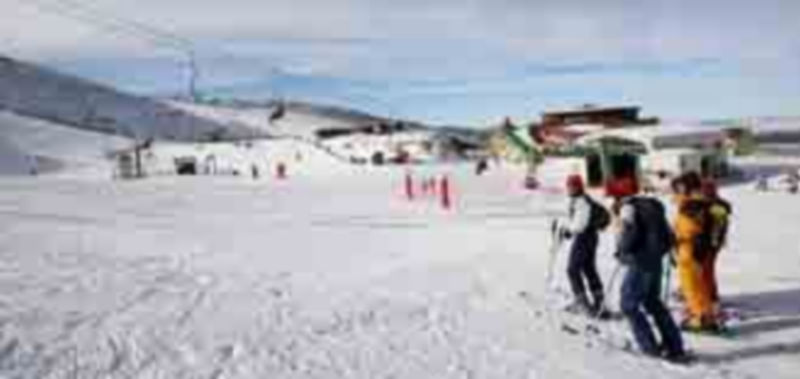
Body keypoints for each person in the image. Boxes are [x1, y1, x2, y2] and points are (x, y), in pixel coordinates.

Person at [614, 187, 690, 363]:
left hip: (640, 262)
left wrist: (621, 250)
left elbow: (629, 232)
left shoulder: (628, 208)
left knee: (628, 304)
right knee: (652, 302)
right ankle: (675, 346)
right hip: (656, 259)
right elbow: (668, 232)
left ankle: (649, 347)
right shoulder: (651, 205)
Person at [673, 172, 719, 332]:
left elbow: (690, 229)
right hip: (693, 249)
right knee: (696, 284)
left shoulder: (692, 205)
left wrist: (677, 239)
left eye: (679, 188)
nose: (676, 192)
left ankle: (701, 318)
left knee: (692, 285)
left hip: (690, 249)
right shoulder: (696, 203)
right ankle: (703, 314)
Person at [559, 175, 605, 315]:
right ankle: (599, 301)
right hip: (589, 237)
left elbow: (580, 224)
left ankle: (582, 303)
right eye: (569, 186)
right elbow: (576, 220)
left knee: (572, 269)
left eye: (573, 186)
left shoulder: (581, 201)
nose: (570, 188)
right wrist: (565, 227)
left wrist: (569, 231)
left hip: (584, 238)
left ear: (579, 187)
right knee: (588, 268)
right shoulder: (580, 200)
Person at [701, 179, 732, 310]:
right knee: (703, 270)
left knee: (706, 270)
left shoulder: (717, 206)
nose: (703, 193)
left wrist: (714, 242)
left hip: (710, 244)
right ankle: (706, 295)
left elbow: (719, 226)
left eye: (706, 190)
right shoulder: (706, 204)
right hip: (705, 243)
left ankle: (711, 297)